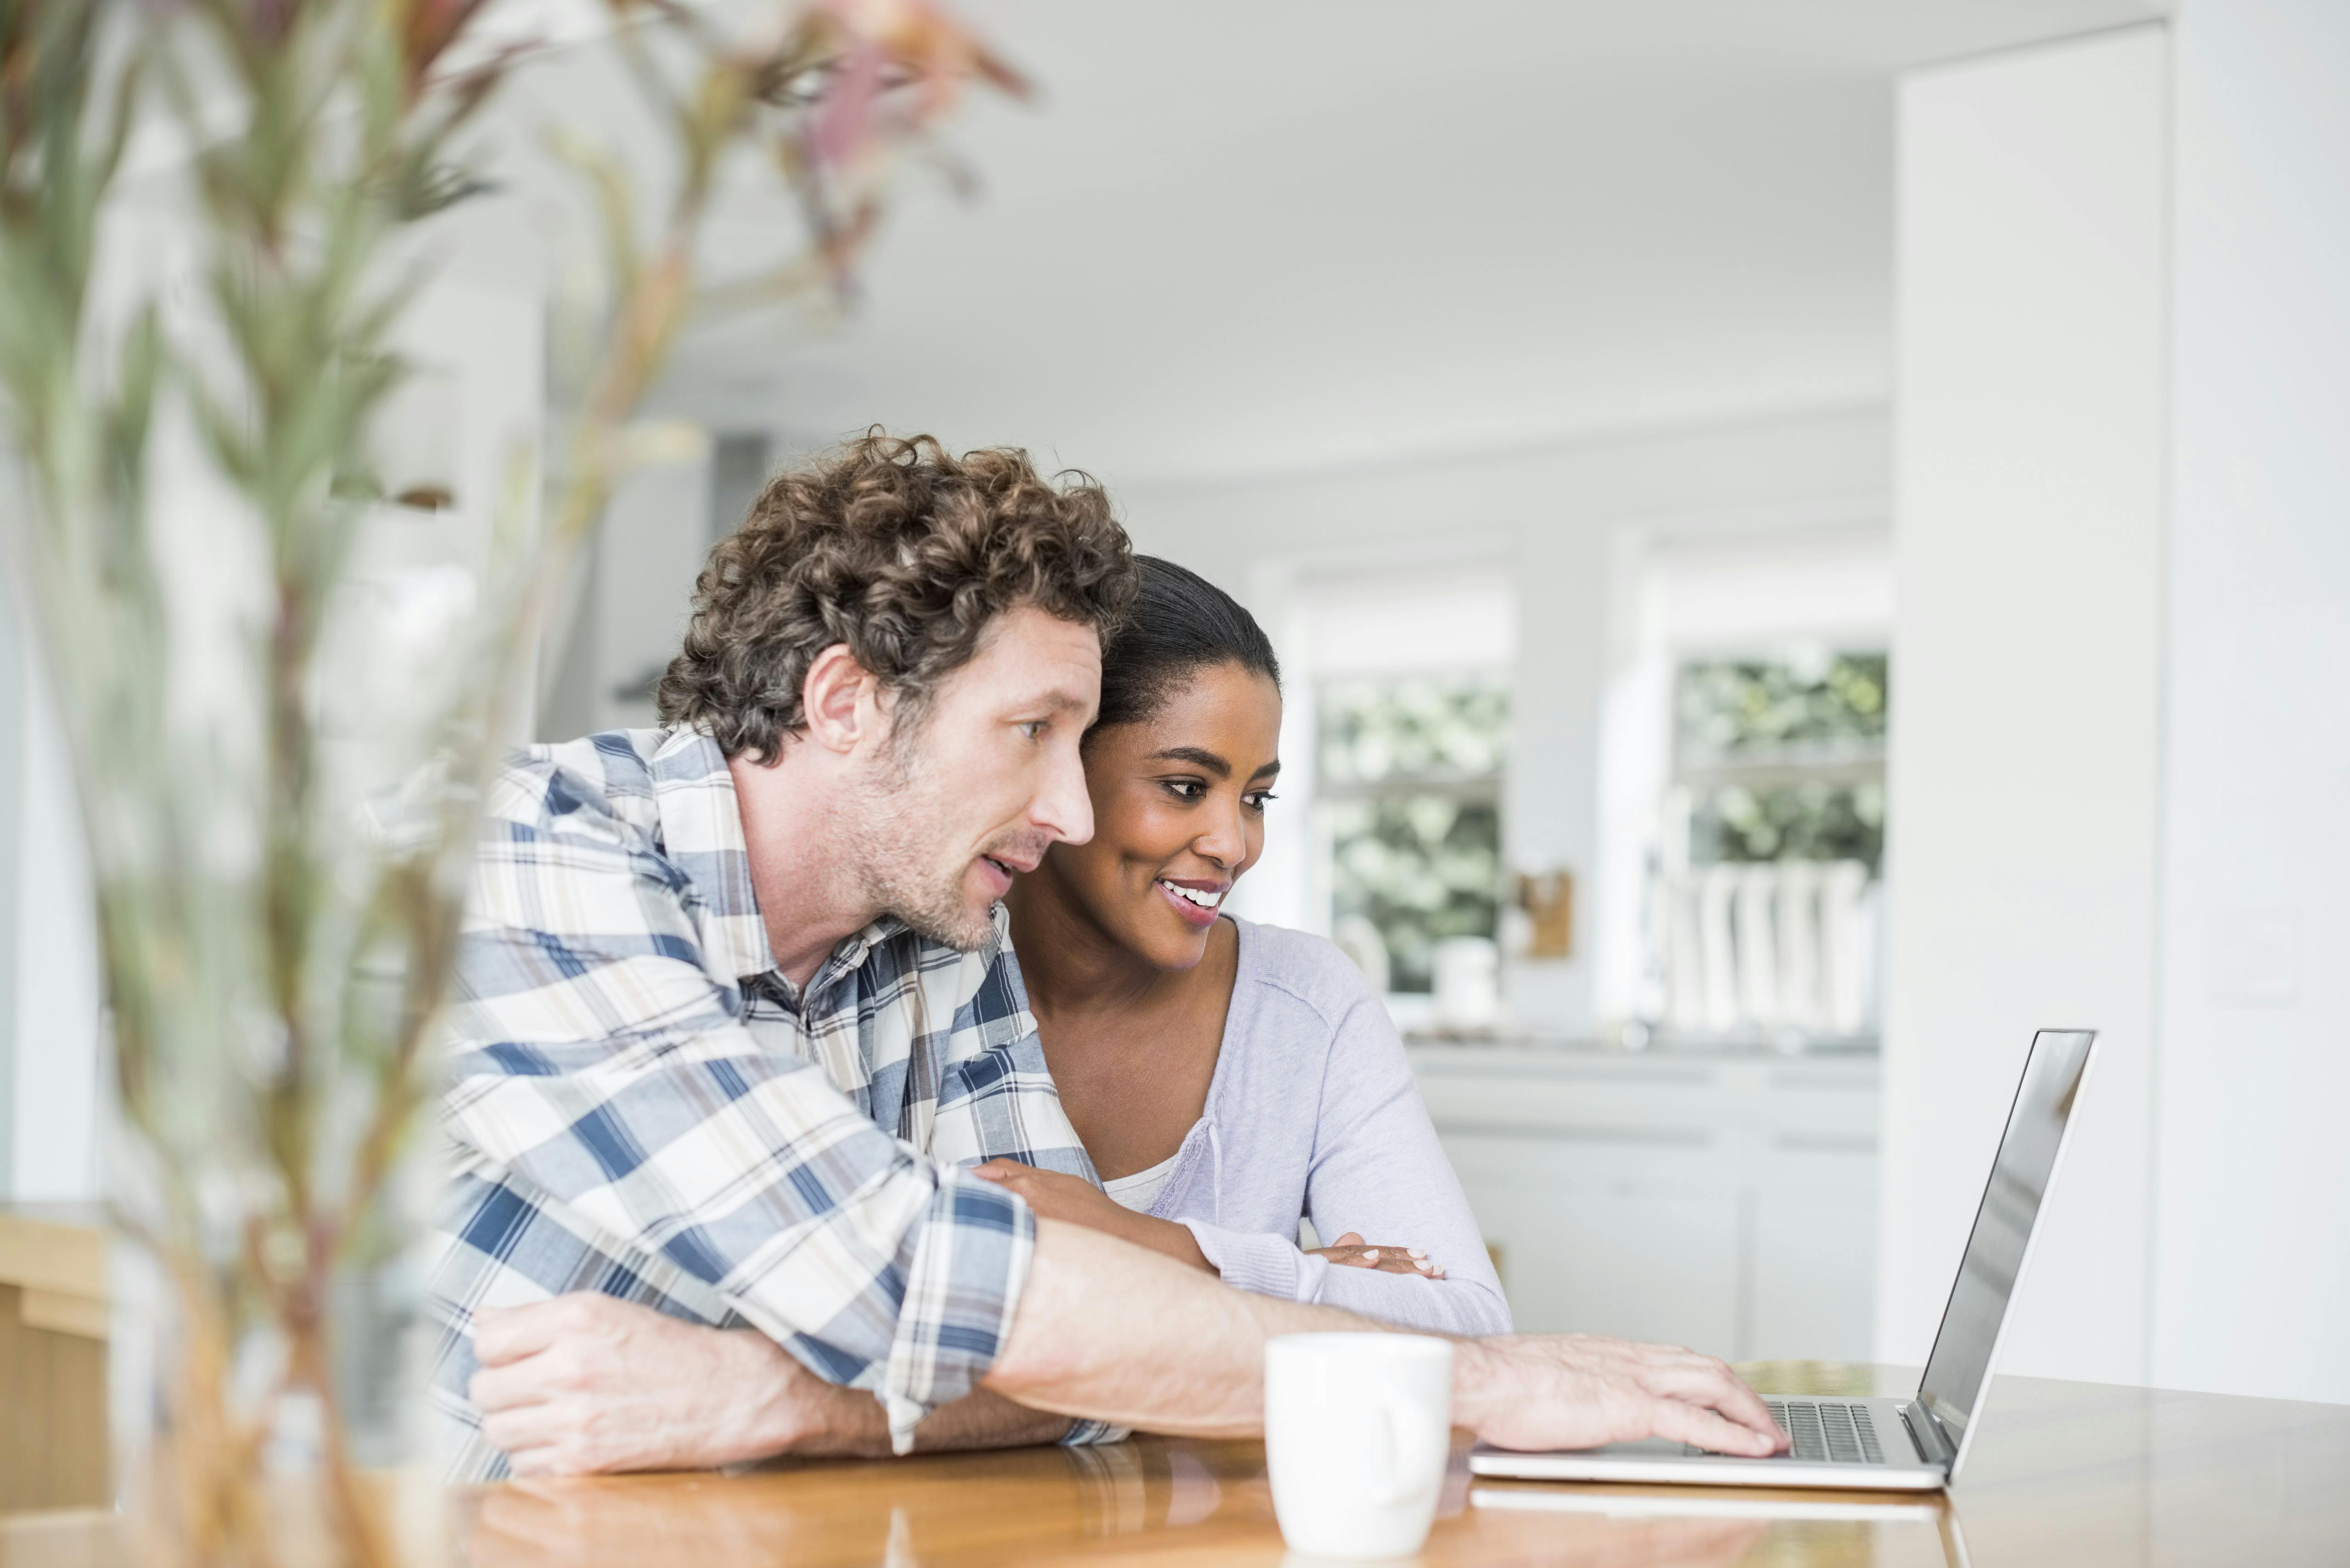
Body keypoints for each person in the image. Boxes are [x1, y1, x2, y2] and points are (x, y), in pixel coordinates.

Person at [434, 433, 1786, 1479]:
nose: (1072, 815)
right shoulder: (525, 867)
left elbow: (1085, 1353)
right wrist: (1485, 1382)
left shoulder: (931, 939)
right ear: (846, 701)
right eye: (1032, 735)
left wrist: (775, 1401)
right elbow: (937, 1288)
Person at [970, 558, 1509, 1335]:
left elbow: (1468, 1325)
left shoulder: (1307, 1005)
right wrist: (1304, 1285)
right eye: (1187, 787)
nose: (1235, 844)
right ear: (1058, 763)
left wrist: (1158, 1247)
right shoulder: (921, 980)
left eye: (1256, 798)